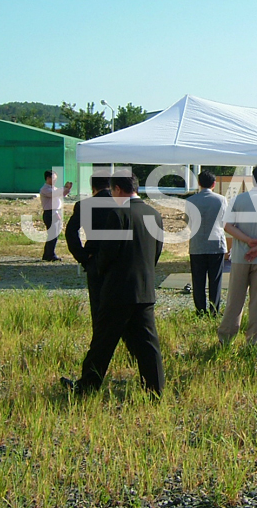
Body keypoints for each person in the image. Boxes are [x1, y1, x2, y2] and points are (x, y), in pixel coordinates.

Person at [61, 173, 165, 396]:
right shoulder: (154, 214)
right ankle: (155, 390)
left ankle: (87, 387)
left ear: (118, 189)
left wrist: (95, 265)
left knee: (102, 342)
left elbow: (109, 252)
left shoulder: (119, 214)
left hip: (118, 289)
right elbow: (156, 251)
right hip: (144, 288)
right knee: (148, 343)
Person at [217, 164, 257, 345]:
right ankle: (253, 340)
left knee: (235, 299)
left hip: (240, 256)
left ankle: (226, 338)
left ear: (252, 180)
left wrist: (247, 241)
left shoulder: (238, 199)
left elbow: (227, 226)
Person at [64, 174, 113, 325]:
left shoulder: (84, 205)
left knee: (98, 305)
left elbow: (71, 232)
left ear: (93, 187)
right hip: (119, 259)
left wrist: (82, 256)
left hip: (94, 257)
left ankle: (100, 335)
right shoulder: (122, 204)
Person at [185, 170, 228, 317]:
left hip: (197, 243)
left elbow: (188, 221)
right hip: (216, 244)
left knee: (198, 280)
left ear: (199, 183)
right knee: (215, 280)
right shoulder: (221, 199)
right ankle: (214, 310)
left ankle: (200, 311)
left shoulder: (190, 200)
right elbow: (225, 221)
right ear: (214, 184)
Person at [39, 169, 72, 261]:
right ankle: (50, 254)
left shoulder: (54, 188)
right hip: (50, 213)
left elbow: (62, 194)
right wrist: (64, 188)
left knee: (54, 234)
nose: (55, 180)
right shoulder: (45, 189)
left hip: (55, 212)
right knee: (53, 235)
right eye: (53, 178)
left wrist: (67, 189)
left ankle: (47, 254)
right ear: (48, 178)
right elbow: (55, 194)